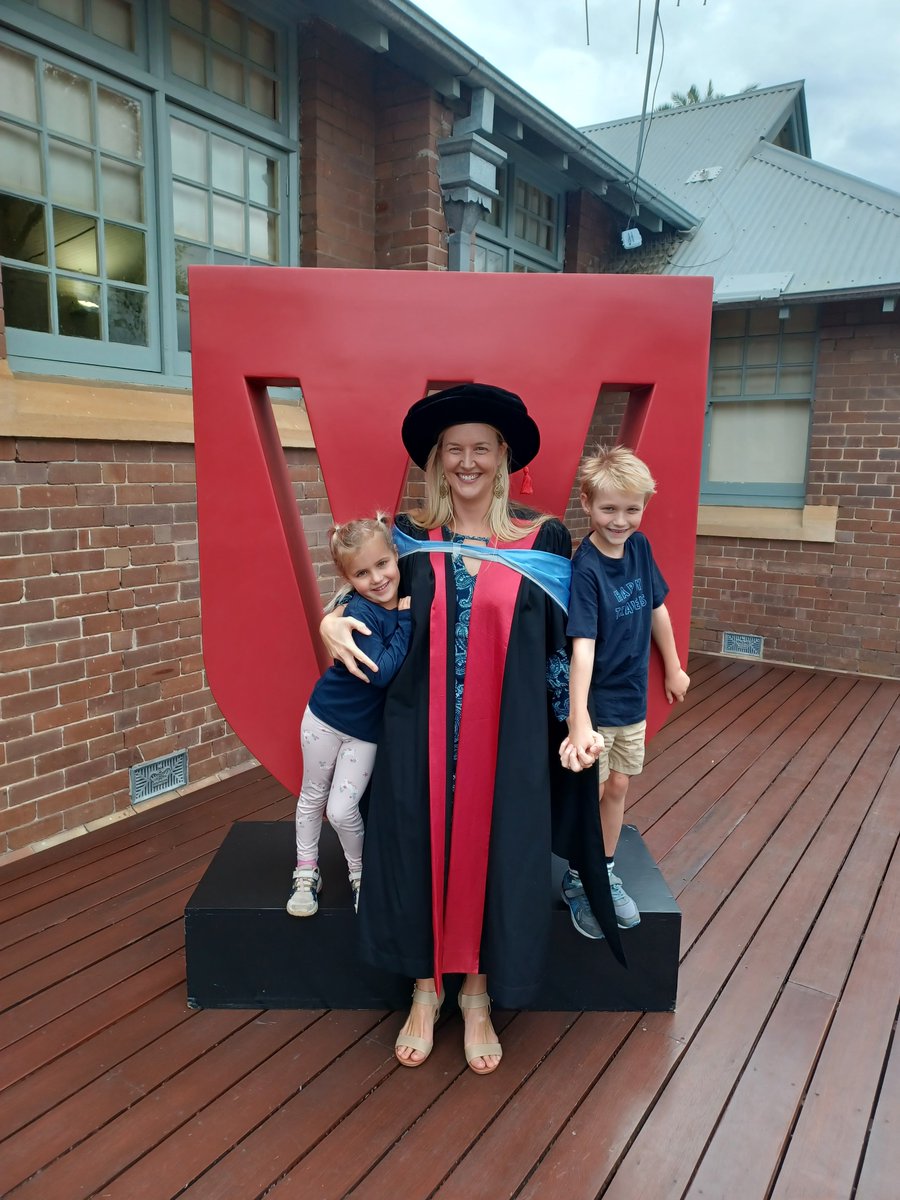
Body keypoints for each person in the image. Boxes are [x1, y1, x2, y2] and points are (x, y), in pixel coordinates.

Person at [320, 383, 623, 1076]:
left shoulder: (540, 539)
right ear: (437, 458)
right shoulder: (407, 537)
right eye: (453, 448)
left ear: (502, 455)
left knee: (497, 853)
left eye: (480, 448)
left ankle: (478, 994)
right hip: (416, 736)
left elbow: (570, 635)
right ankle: (425, 993)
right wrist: (327, 617)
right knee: (418, 851)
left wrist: (575, 721)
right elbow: (360, 585)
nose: (466, 461)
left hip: (506, 736)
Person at [560, 445, 690, 939]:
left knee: (618, 787)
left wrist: (674, 667)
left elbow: (657, 607)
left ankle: (606, 871)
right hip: (599, 706)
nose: (621, 520)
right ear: (588, 504)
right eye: (609, 508)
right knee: (589, 791)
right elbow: (583, 649)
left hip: (633, 700)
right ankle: (579, 877)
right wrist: (579, 719)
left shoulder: (640, 548)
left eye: (632, 509)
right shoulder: (587, 567)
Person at [287, 516, 411, 919]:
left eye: (382, 564)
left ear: (396, 556)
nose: (376, 578)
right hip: (326, 718)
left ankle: (360, 874)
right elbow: (383, 672)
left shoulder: (404, 592)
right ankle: (306, 871)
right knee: (313, 797)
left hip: (366, 733)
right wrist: (407, 621)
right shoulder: (358, 613)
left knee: (342, 809)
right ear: (347, 577)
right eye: (361, 572)